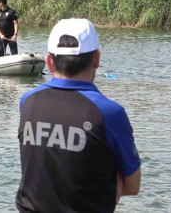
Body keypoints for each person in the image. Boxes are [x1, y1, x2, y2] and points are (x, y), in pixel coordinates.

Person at [16, 18, 141, 213]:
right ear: (96, 59)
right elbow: (132, 185)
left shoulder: (28, 101)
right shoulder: (109, 113)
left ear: (49, 61)